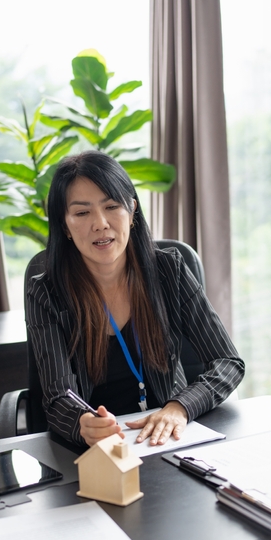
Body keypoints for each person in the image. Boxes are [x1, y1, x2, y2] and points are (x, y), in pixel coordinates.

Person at [26, 151, 244, 448]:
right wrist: (83, 423)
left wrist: (179, 407)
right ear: (64, 226)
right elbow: (58, 396)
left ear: (132, 212)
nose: (100, 223)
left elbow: (228, 362)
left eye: (112, 206)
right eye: (82, 213)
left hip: (169, 438)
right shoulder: (47, 293)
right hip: (98, 451)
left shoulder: (169, 271)